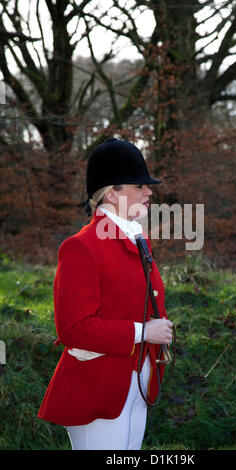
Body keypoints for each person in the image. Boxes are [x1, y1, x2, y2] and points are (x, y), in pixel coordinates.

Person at [37, 137, 173, 450]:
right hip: (97, 387)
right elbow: (73, 329)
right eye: (139, 185)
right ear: (112, 193)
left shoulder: (138, 240)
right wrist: (144, 332)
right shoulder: (81, 247)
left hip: (137, 382)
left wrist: (158, 332)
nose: (148, 191)